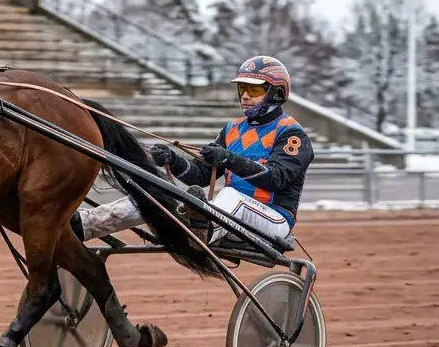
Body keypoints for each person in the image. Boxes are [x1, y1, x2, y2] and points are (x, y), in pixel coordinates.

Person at [71, 56, 315, 245]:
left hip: (274, 220)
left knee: (230, 196)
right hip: (227, 217)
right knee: (156, 194)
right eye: (242, 89)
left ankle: (199, 233)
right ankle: (83, 225)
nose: (245, 96)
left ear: (277, 93)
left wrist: (229, 159)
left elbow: (275, 179)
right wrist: (173, 160)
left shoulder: (291, 134)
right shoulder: (232, 130)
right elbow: (198, 175)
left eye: (255, 90)